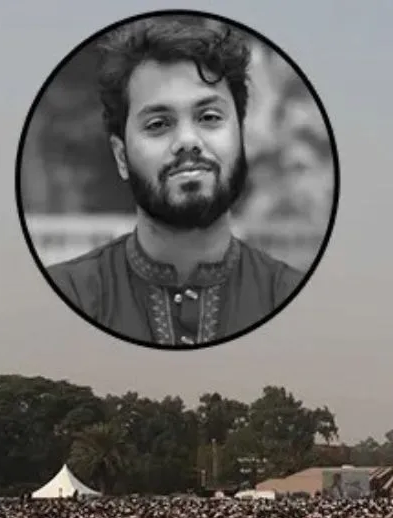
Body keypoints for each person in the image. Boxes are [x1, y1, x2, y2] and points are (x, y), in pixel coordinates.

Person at [43, 15, 303, 347]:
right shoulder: (71, 294)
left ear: (242, 137)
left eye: (209, 117)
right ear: (121, 157)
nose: (188, 141)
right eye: (158, 124)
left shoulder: (283, 293)